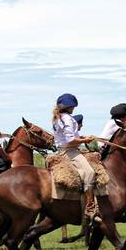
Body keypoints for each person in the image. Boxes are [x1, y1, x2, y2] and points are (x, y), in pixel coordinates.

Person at [52, 93, 98, 221]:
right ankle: (90, 207)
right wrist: (85, 141)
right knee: (90, 172)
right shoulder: (67, 118)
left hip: (63, 150)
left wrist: (82, 138)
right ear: (69, 106)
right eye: (73, 106)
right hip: (70, 151)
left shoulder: (59, 117)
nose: (74, 108)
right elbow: (70, 140)